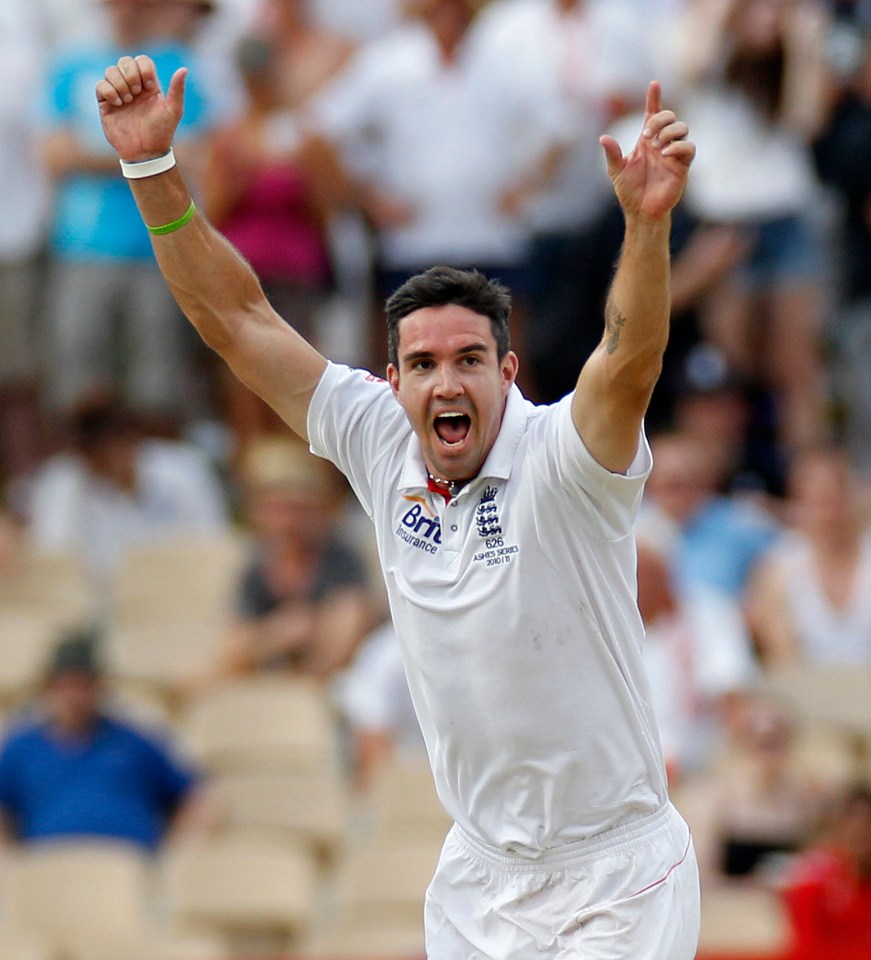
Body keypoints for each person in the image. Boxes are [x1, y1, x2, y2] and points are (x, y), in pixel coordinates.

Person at [95, 55, 699, 958]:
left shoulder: (566, 456)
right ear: (393, 380)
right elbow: (238, 320)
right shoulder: (377, 437)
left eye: (467, 360)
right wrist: (151, 166)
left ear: (507, 372)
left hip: (616, 873)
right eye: (422, 364)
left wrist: (645, 229)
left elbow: (628, 359)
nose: (444, 382)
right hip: (480, 877)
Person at [0, 630, 210, 853]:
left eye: (83, 686)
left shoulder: (134, 741)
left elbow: (196, 795)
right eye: (65, 686)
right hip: (50, 862)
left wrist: (176, 853)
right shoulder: (21, 747)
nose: (74, 697)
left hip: (129, 859)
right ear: (48, 689)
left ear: (99, 688)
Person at [210, 433, 376, 683]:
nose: (288, 522)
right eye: (276, 510)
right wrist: (277, 634)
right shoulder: (259, 566)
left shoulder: (341, 559)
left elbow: (347, 632)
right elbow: (232, 650)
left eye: (299, 509)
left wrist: (311, 631)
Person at [779, 783, 871, 960]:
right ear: (838, 826)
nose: (862, 828)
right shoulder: (813, 872)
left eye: (868, 821)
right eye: (854, 820)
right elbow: (806, 944)